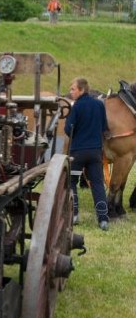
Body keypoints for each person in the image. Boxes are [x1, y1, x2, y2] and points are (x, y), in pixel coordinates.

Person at [64, 77, 109, 231]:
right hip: (95, 153)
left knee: (71, 182)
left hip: (77, 154)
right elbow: (104, 127)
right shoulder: (99, 104)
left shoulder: (76, 107)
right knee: (97, 184)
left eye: (73, 89)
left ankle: (74, 215)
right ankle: (103, 220)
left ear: (82, 90)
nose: (70, 92)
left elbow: (68, 130)